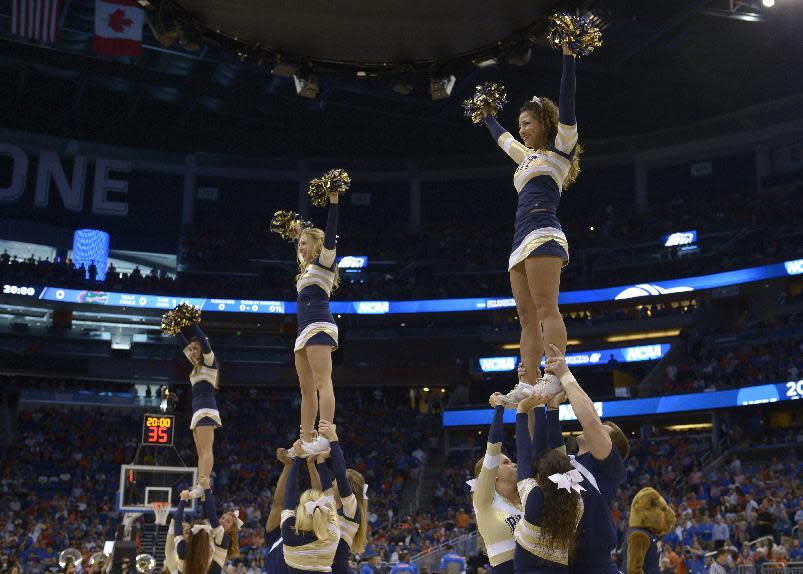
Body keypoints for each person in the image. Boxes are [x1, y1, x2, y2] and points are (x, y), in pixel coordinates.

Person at [480, 44, 581, 398]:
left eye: (527, 123)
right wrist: (487, 115)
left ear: (544, 124)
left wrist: (568, 57)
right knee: (525, 318)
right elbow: (502, 139)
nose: (521, 130)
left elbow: (567, 101)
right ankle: (527, 382)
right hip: (519, 238)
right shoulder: (525, 157)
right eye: (520, 124)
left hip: (543, 232)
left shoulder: (560, 150)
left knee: (545, 308)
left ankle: (555, 373)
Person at [543, 345, 628, 574]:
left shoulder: (608, 468)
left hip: (597, 567)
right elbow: (550, 450)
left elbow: (590, 420)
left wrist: (566, 375)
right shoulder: (570, 461)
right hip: (564, 565)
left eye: (603, 430)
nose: (595, 429)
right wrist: (551, 407)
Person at [286, 189, 341, 456]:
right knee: (306, 390)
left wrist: (333, 202)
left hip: (320, 325)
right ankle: (307, 439)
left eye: (306, 243)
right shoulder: (306, 269)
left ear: (318, 247)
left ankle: (326, 432)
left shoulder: (325, 261)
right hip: (303, 332)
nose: (301, 247)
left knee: (322, 382)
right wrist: (298, 233)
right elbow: (302, 247)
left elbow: (329, 234)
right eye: (300, 244)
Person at [513, 392, 583, 573]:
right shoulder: (576, 500)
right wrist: (548, 409)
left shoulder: (535, 497)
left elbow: (525, 454)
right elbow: (555, 456)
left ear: (540, 478)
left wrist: (523, 410)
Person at [316, 421, 368, 574]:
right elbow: (323, 473)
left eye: (337, 481)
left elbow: (339, 473)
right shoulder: (333, 504)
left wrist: (334, 440)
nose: (333, 481)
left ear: (347, 486)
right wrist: (321, 456)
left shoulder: (352, 509)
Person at [176, 322, 221, 498]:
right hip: (197, 412)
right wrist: (175, 329)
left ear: (203, 350)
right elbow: (182, 345)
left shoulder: (210, 362)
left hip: (206, 410)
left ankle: (204, 481)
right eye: (191, 349)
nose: (192, 351)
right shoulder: (196, 368)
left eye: (195, 348)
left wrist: (193, 323)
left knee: (206, 450)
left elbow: (204, 341)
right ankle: (200, 485)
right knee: (200, 452)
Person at [281, 440, 340, 573]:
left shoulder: (288, 528)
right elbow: (327, 491)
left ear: (301, 508)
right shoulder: (332, 532)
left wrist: (297, 456)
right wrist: (319, 461)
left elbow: (289, 492)